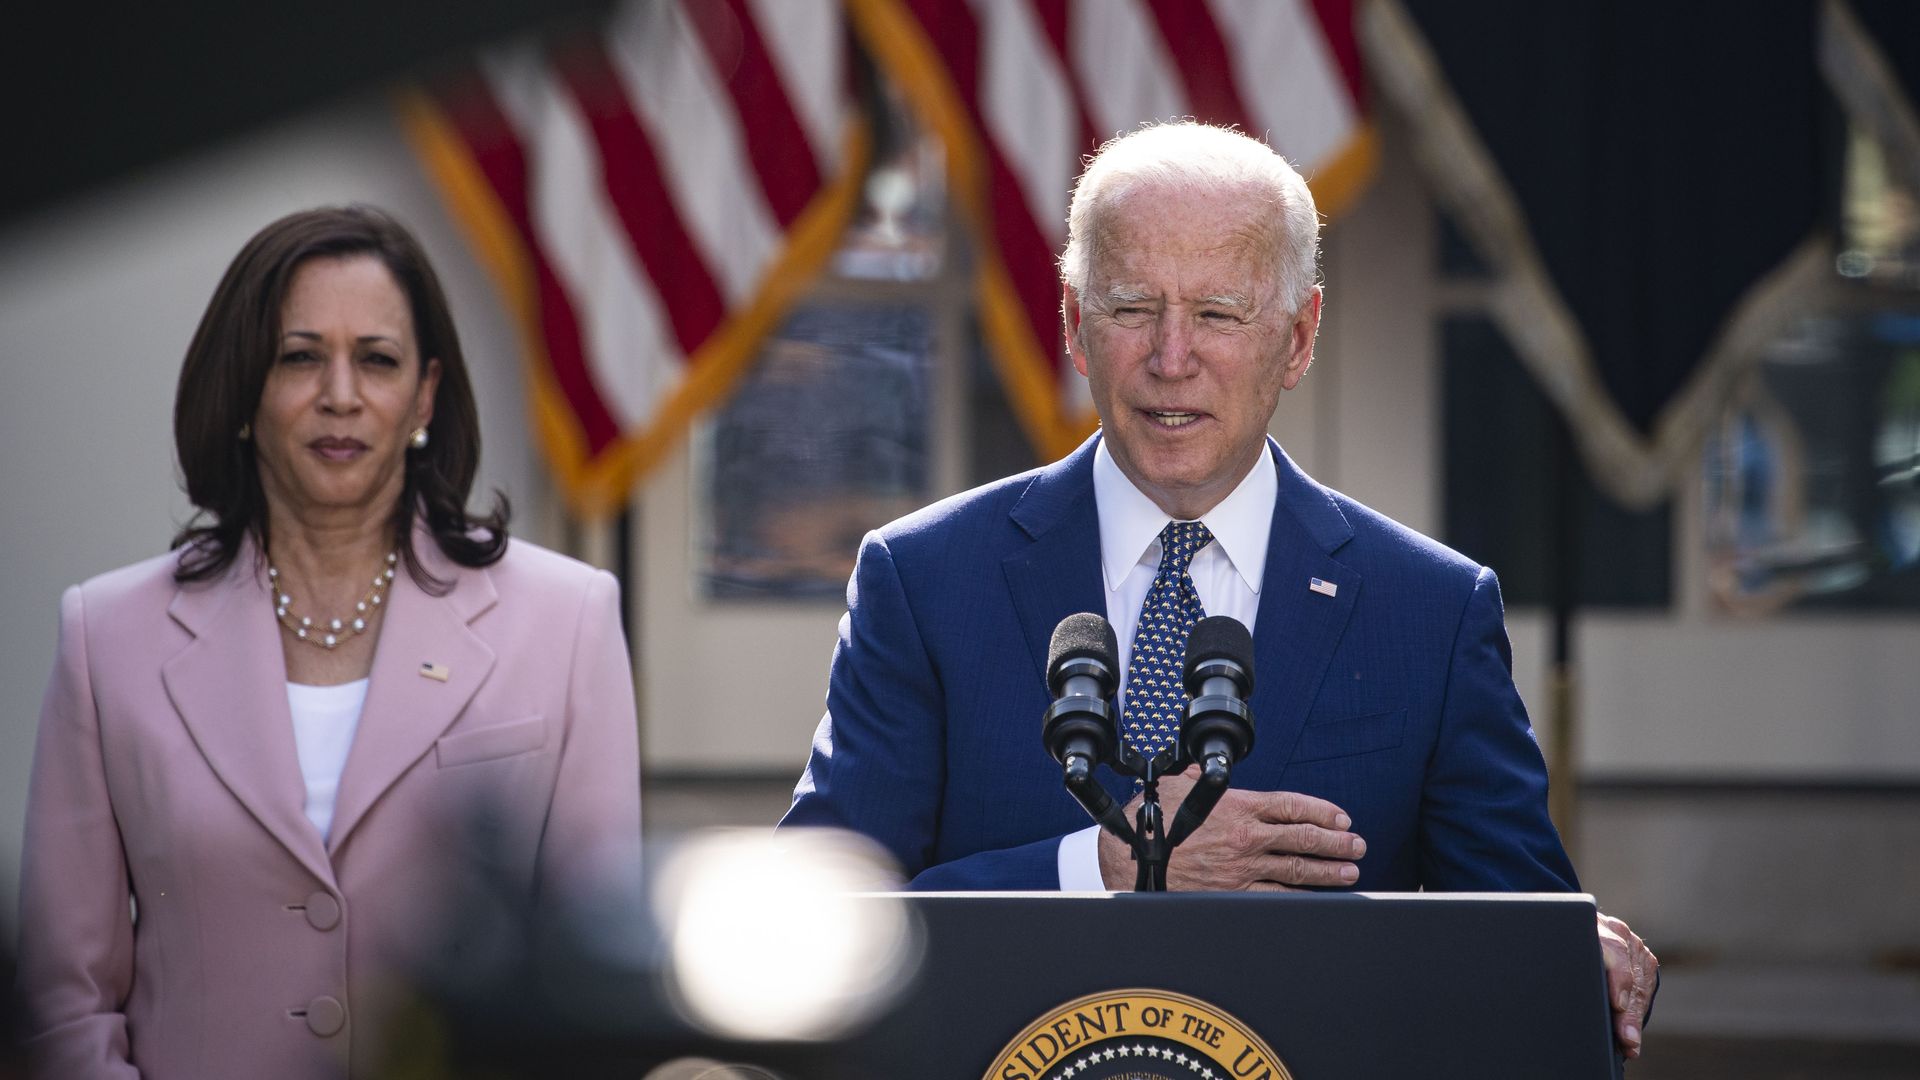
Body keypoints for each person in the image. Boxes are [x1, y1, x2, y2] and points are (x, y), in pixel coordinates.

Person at [781, 123, 1657, 1056]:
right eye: (1132, 308)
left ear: (1299, 337)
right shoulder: (925, 580)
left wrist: (1575, 957)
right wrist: (1102, 866)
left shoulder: (1430, 611)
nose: (1171, 357)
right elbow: (813, 920)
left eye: (1219, 315)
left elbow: (1517, 941)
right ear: (1074, 324)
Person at [17, 206, 642, 1079]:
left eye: (376, 360)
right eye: (300, 357)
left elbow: (594, 976)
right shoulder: (106, 637)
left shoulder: (568, 619)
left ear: (425, 396)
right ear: (244, 390)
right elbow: (63, 1001)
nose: (340, 395)